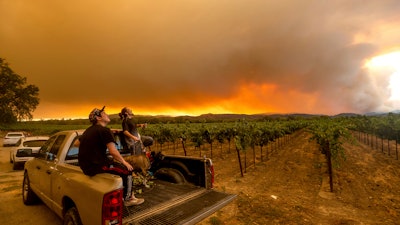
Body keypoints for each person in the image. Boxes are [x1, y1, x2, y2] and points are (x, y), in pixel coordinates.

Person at [78, 106, 144, 206]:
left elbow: (76, 143)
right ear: (98, 118)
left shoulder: (88, 131)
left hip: (86, 166)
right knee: (128, 170)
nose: (107, 115)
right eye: (104, 113)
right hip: (96, 166)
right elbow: (113, 151)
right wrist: (125, 162)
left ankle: (124, 194)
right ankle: (129, 199)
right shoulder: (104, 131)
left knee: (113, 162)